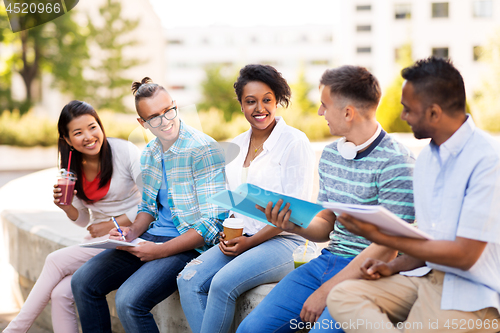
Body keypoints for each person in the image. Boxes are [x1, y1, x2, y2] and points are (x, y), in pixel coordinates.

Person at [237, 65, 416, 333]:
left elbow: (387, 248)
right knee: (250, 330)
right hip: (327, 261)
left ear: (347, 112)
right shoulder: (332, 155)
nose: (320, 112)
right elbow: (326, 225)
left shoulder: (398, 164)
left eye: (324, 105)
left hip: (372, 273)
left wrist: (326, 291)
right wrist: (290, 224)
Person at [327, 57, 500, 333]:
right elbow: (434, 241)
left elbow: (464, 256)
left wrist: (378, 236)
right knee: (343, 295)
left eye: (408, 110)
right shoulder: (428, 160)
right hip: (426, 277)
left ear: (433, 113)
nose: (403, 116)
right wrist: (394, 265)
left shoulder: (487, 160)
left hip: (472, 296)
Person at [70, 77, 228, 333]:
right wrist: (129, 233)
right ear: (142, 123)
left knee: (129, 301)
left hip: (187, 245)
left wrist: (160, 251)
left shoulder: (203, 149)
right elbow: (147, 210)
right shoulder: (150, 153)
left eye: (168, 111)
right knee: (82, 282)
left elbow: (212, 224)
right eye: (154, 117)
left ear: (175, 105)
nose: (165, 122)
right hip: (150, 238)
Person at [176, 64, 315, 333]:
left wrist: (250, 242)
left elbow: (295, 215)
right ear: (241, 105)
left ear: (277, 101)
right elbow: (234, 202)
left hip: (284, 241)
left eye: (267, 100)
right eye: (250, 101)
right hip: (241, 239)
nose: (259, 108)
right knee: (188, 279)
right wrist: (229, 235)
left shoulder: (294, 142)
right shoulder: (236, 145)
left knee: (222, 284)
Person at [4, 100, 141, 333]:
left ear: (100, 125)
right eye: (78, 133)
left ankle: (16, 329)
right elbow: (84, 220)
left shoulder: (125, 151)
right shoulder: (70, 167)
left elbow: (152, 200)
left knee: (54, 260)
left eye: (92, 127)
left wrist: (114, 222)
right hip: (100, 242)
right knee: (59, 294)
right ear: (67, 140)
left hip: (133, 232)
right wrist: (66, 207)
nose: (88, 136)